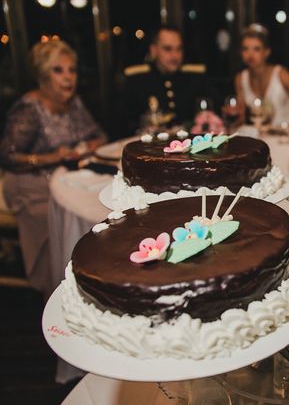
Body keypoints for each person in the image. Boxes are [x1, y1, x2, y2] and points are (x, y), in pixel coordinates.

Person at [0, 39, 106, 295]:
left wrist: (86, 146)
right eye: (58, 70)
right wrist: (53, 157)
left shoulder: (74, 102)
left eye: (72, 70)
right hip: (28, 182)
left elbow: (101, 136)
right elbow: (8, 156)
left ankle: (92, 271)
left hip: (65, 175)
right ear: (42, 74)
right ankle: (59, 286)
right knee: (58, 217)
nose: (68, 78)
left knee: (92, 202)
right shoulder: (29, 109)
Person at [121, 25, 218, 136]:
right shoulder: (137, 80)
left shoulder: (195, 77)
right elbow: (126, 123)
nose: (175, 56)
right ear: (153, 50)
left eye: (179, 49)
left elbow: (212, 114)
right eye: (168, 49)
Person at [232, 23, 289, 129]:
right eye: (245, 49)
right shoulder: (240, 78)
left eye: (256, 49)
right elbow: (241, 117)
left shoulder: (281, 74)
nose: (250, 54)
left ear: (267, 52)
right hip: (261, 138)